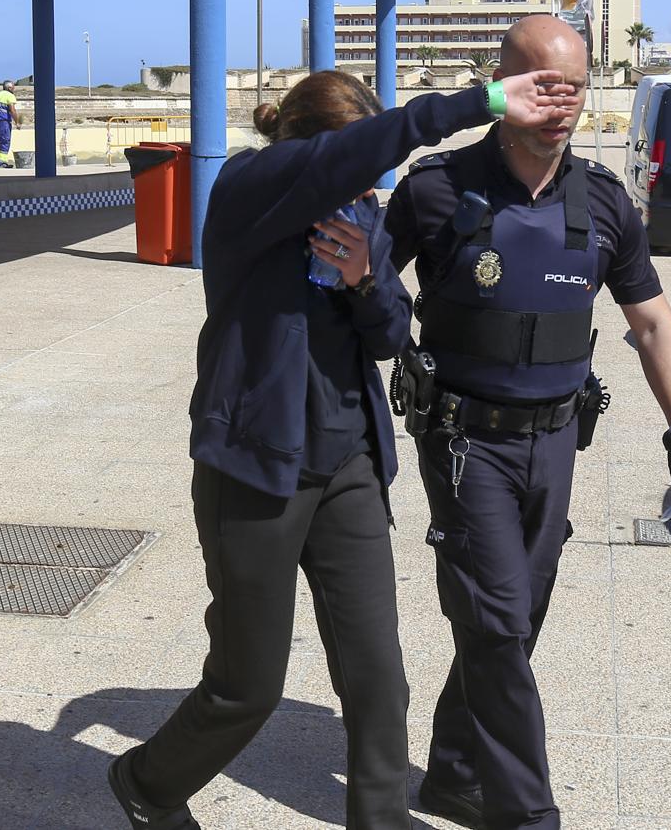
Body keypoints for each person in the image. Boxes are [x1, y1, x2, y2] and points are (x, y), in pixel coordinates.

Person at [106, 68, 579, 830]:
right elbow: (342, 158)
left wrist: (365, 278)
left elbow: (391, 336)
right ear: (306, 150)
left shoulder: (358, 214)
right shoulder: (249, 189)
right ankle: (148, 782)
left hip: (348, 464)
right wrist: (480, 102)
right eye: (352, 166)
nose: (363, 185)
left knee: (376, 679)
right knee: (245, 686)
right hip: (255, 468)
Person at [387, 15, 671, 829]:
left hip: (558, 440)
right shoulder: (434, 188)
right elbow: (360, 291)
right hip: (465, 443)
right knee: (497, 623)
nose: (560, 102)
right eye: (542, 84)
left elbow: (650, 321)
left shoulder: (603, 203)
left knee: (517, 618)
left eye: (574, 86)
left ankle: (454, 772)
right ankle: (526, 812)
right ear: (503, 86)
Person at [0, 80, 21, 168]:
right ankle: (2, 162)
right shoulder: (10, 96)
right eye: (13, 88)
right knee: (5, 141)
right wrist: (17, 122)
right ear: (9, 88)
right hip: (4, 122)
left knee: (0, 141)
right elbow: (12, 110)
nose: (14, 89)